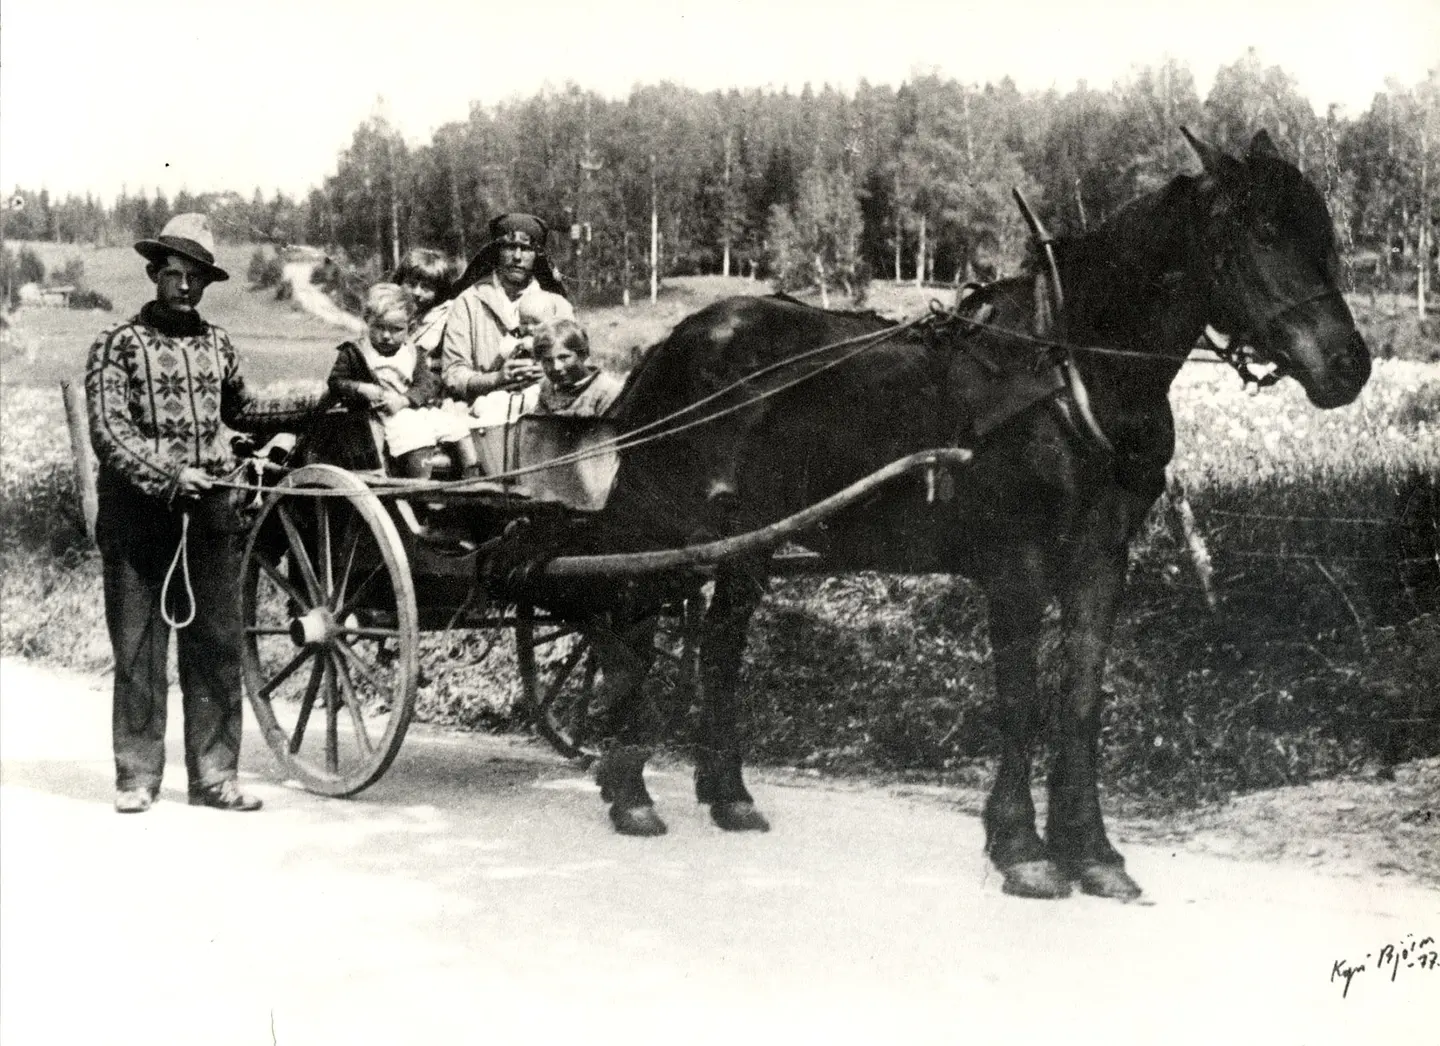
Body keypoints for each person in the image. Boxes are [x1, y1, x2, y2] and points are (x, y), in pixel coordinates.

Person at [85, 213, 312, 814]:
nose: (186, 287)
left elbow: (245, 410)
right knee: (139, 648)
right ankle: (136, 777)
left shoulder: (217, 345)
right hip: (138, 515)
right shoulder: (118, 345)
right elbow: (109, 430)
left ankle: (214, 777)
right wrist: (167, 474)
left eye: (197, 278)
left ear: (207, 285)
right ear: (155, 274)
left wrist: (320, 400)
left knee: (215, 644)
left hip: (212, 511)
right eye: (175, 274)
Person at [327, 283, 481, 480]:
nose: (386, 336)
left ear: (410, 327)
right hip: (377, 416)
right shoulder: (355, 352)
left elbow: (426, 385)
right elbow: (336, 381)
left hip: (409, 408)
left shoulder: (412, 352)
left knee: (455, 425)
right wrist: (360, 388)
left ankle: (472, 474)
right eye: (379, 327)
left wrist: (405, 400)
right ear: (367, 322)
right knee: (414, 434)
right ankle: (419, 484)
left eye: (396, 330)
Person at [441, 212, 574, 426]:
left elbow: (578, 363)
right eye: (510, 247)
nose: (518, 257)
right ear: (496, 251)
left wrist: (548, 372)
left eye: (527, 248)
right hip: (483, 415)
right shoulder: (469, 302)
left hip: (544, 413)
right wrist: (498, 379)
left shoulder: (558, 305)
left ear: (538, 254)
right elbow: (453, 373)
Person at [532, 319, 624, 417]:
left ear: (583, 354)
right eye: (548, 360)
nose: (556, 367)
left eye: (564, 357)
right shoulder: (547, 387)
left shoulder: (607, 392)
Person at [391, 247, 458, 378]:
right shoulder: (391, 312)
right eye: (411, 284)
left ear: (439, 291)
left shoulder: (445, 316)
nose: (416, 292)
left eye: (426, 287)